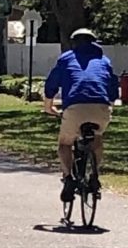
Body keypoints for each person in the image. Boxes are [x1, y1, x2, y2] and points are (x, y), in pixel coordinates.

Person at [43, 28, 118, 202]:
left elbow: (51, 84)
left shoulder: (66, 58)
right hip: (101, 107)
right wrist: (109, 106)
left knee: (65, 143)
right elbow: (113, 87)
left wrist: (49, 107)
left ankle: (68, 178)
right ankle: (95, 175)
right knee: (97, 138)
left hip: (75, 107)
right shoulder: (104, 61)